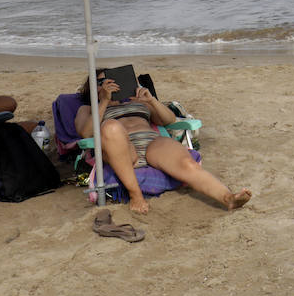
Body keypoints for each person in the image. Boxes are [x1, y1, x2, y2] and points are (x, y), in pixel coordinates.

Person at [75, 71, 251, 216]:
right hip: (122, 150)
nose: (107, 84)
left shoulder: (136, 101)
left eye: (111, 79)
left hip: (152, 142)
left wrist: (151, 100)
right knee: (111, 127)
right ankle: (136, 195)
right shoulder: (88, 109)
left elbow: (168, 120)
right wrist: (105, 101)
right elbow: (86, 132)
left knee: (186, 163)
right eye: (101, 82)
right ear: (91, 90)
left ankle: (228, 198)